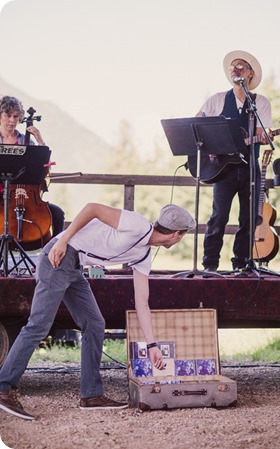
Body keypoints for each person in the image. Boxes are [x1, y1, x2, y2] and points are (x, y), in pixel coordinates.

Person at [0, 202, 196, 420]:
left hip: (74, 267)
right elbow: (92, 208)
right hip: (60, 255)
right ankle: (4, 388)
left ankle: (91, 395)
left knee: (94, 324)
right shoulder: (137, 224)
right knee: (39, 325)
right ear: (176, 235)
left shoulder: (144, 255)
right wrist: (62, 241)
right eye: (182, 237)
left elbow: (142, 301)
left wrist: (152, 345)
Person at [196, 50, 273, 272]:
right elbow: (197, 125)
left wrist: (261, 137)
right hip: (223, 169)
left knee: (249, 218)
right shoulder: (217, 99)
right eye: (232, 67)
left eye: (240, 66)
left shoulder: (260, 103)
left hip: (250, 168)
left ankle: (242, 264)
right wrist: (212, 146)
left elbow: (260, 134)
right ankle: (210, 264)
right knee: (219, 215)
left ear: (250, 73)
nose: (235, 70)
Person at [0, 95, 65, 238]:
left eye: (15, 116)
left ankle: (52, 253)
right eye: (7, 115)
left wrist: (40, 140)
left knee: (57, 214)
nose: (11, 120)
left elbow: (44, 167)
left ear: (20, 118)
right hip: (1, 196)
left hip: (25, 196)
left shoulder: (25, 140)